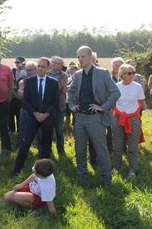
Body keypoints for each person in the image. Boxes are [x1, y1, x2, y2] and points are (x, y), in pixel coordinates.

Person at [68, 46, 120, 186]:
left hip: (95, 118)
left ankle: (106, 179)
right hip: (79, 117)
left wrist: (102, 107)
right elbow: (70, 91)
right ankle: (82, 175)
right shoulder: (77, 75)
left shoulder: (102, 73)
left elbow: (116, 92)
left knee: (101, 149)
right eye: (78, 57)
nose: (80, 59)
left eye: (83, 56)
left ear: (91, 58)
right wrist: (71, 105)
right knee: (79, 149)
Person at [13, 58, 58, 175]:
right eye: (39, 66)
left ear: (48, 69)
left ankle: (45, 172)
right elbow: (25, 101)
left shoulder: (53, 83)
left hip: (47, 118)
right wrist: (35, 113)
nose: (40, 68)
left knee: (46, 145)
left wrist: (46, 114)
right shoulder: (29, 81)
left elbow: (55, 102)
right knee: (25, 143)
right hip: (32, 116)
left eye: (43, 66)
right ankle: (16, 170)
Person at [113, 64, 146, 179]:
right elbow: (112, 102)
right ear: (122, 74)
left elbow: (141, 103)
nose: (133, 75)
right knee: (117, 144)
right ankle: (116, 167)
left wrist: (134, 112)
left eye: (134, 72)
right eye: (129, 73)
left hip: (133, 118)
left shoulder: (137, 86)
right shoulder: (116, 86)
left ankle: (133, 169)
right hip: (118, 117)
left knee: (132, 146)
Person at [48, 56, 68, 155]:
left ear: (61, 65)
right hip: (47, 106)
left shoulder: (64, 75)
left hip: (59, 106)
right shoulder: (46, 73)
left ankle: (61, 150)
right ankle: (48, 150)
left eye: (56, 63)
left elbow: (61, 88)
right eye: (53, 62)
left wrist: (48, 86)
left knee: (59, 129)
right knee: (48, 129)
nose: (54, 64)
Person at [16, 61, 37, 148]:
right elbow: (20, 93)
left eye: (31, 70)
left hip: (39, 110)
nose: (29, 72)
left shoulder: (40, 81)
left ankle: (42, 149)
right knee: (23, 129)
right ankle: (21, 148)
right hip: (26, 109)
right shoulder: (23, 81)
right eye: (27, 70)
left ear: (36, 70)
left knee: (40, 131)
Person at [9, 56, 26, 133]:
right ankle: (11, 130)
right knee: (10, 113)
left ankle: (20, 130)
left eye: (18, 62)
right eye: (15, 62)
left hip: (21, 96)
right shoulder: (13, 71)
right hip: (13, 95)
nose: (16, 64)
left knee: (20, 114)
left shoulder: (25, 71)